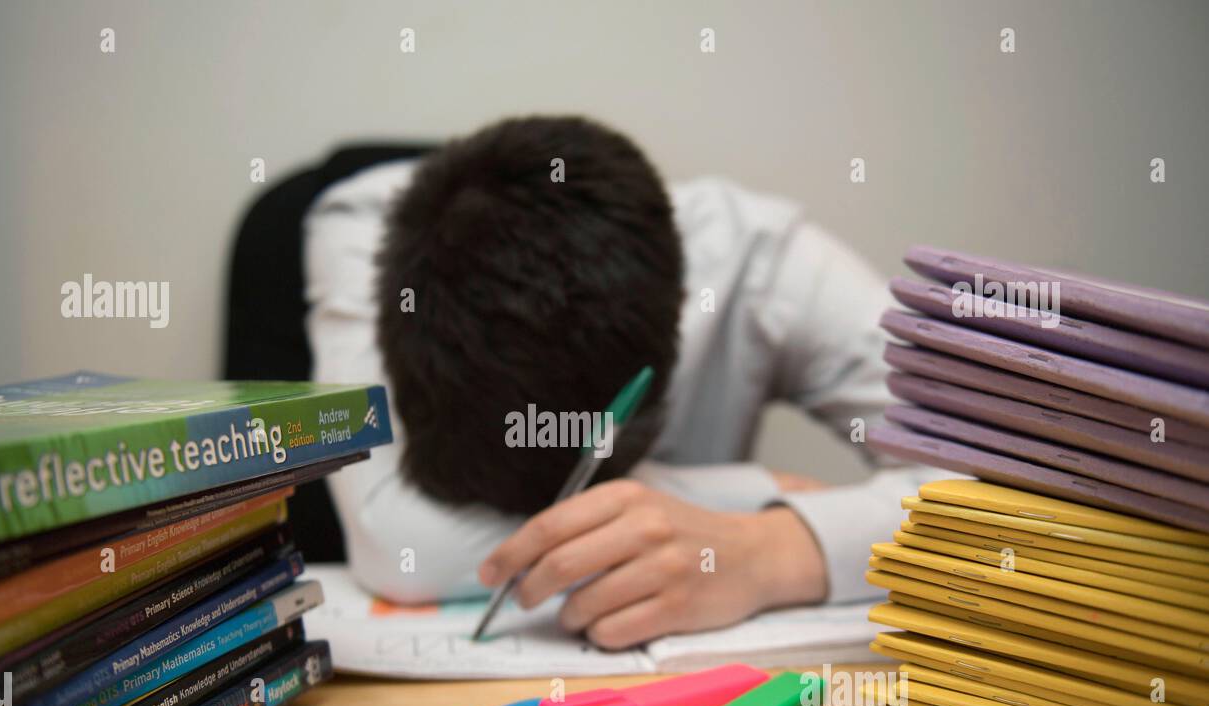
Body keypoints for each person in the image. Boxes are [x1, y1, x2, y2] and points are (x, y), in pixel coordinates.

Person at [305, 115, 929, 649]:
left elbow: (1012, 486)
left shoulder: (772, 266)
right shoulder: (366, 231)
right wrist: (752, 493)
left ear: (683, 310)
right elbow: (403, 543)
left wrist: (775, 552)